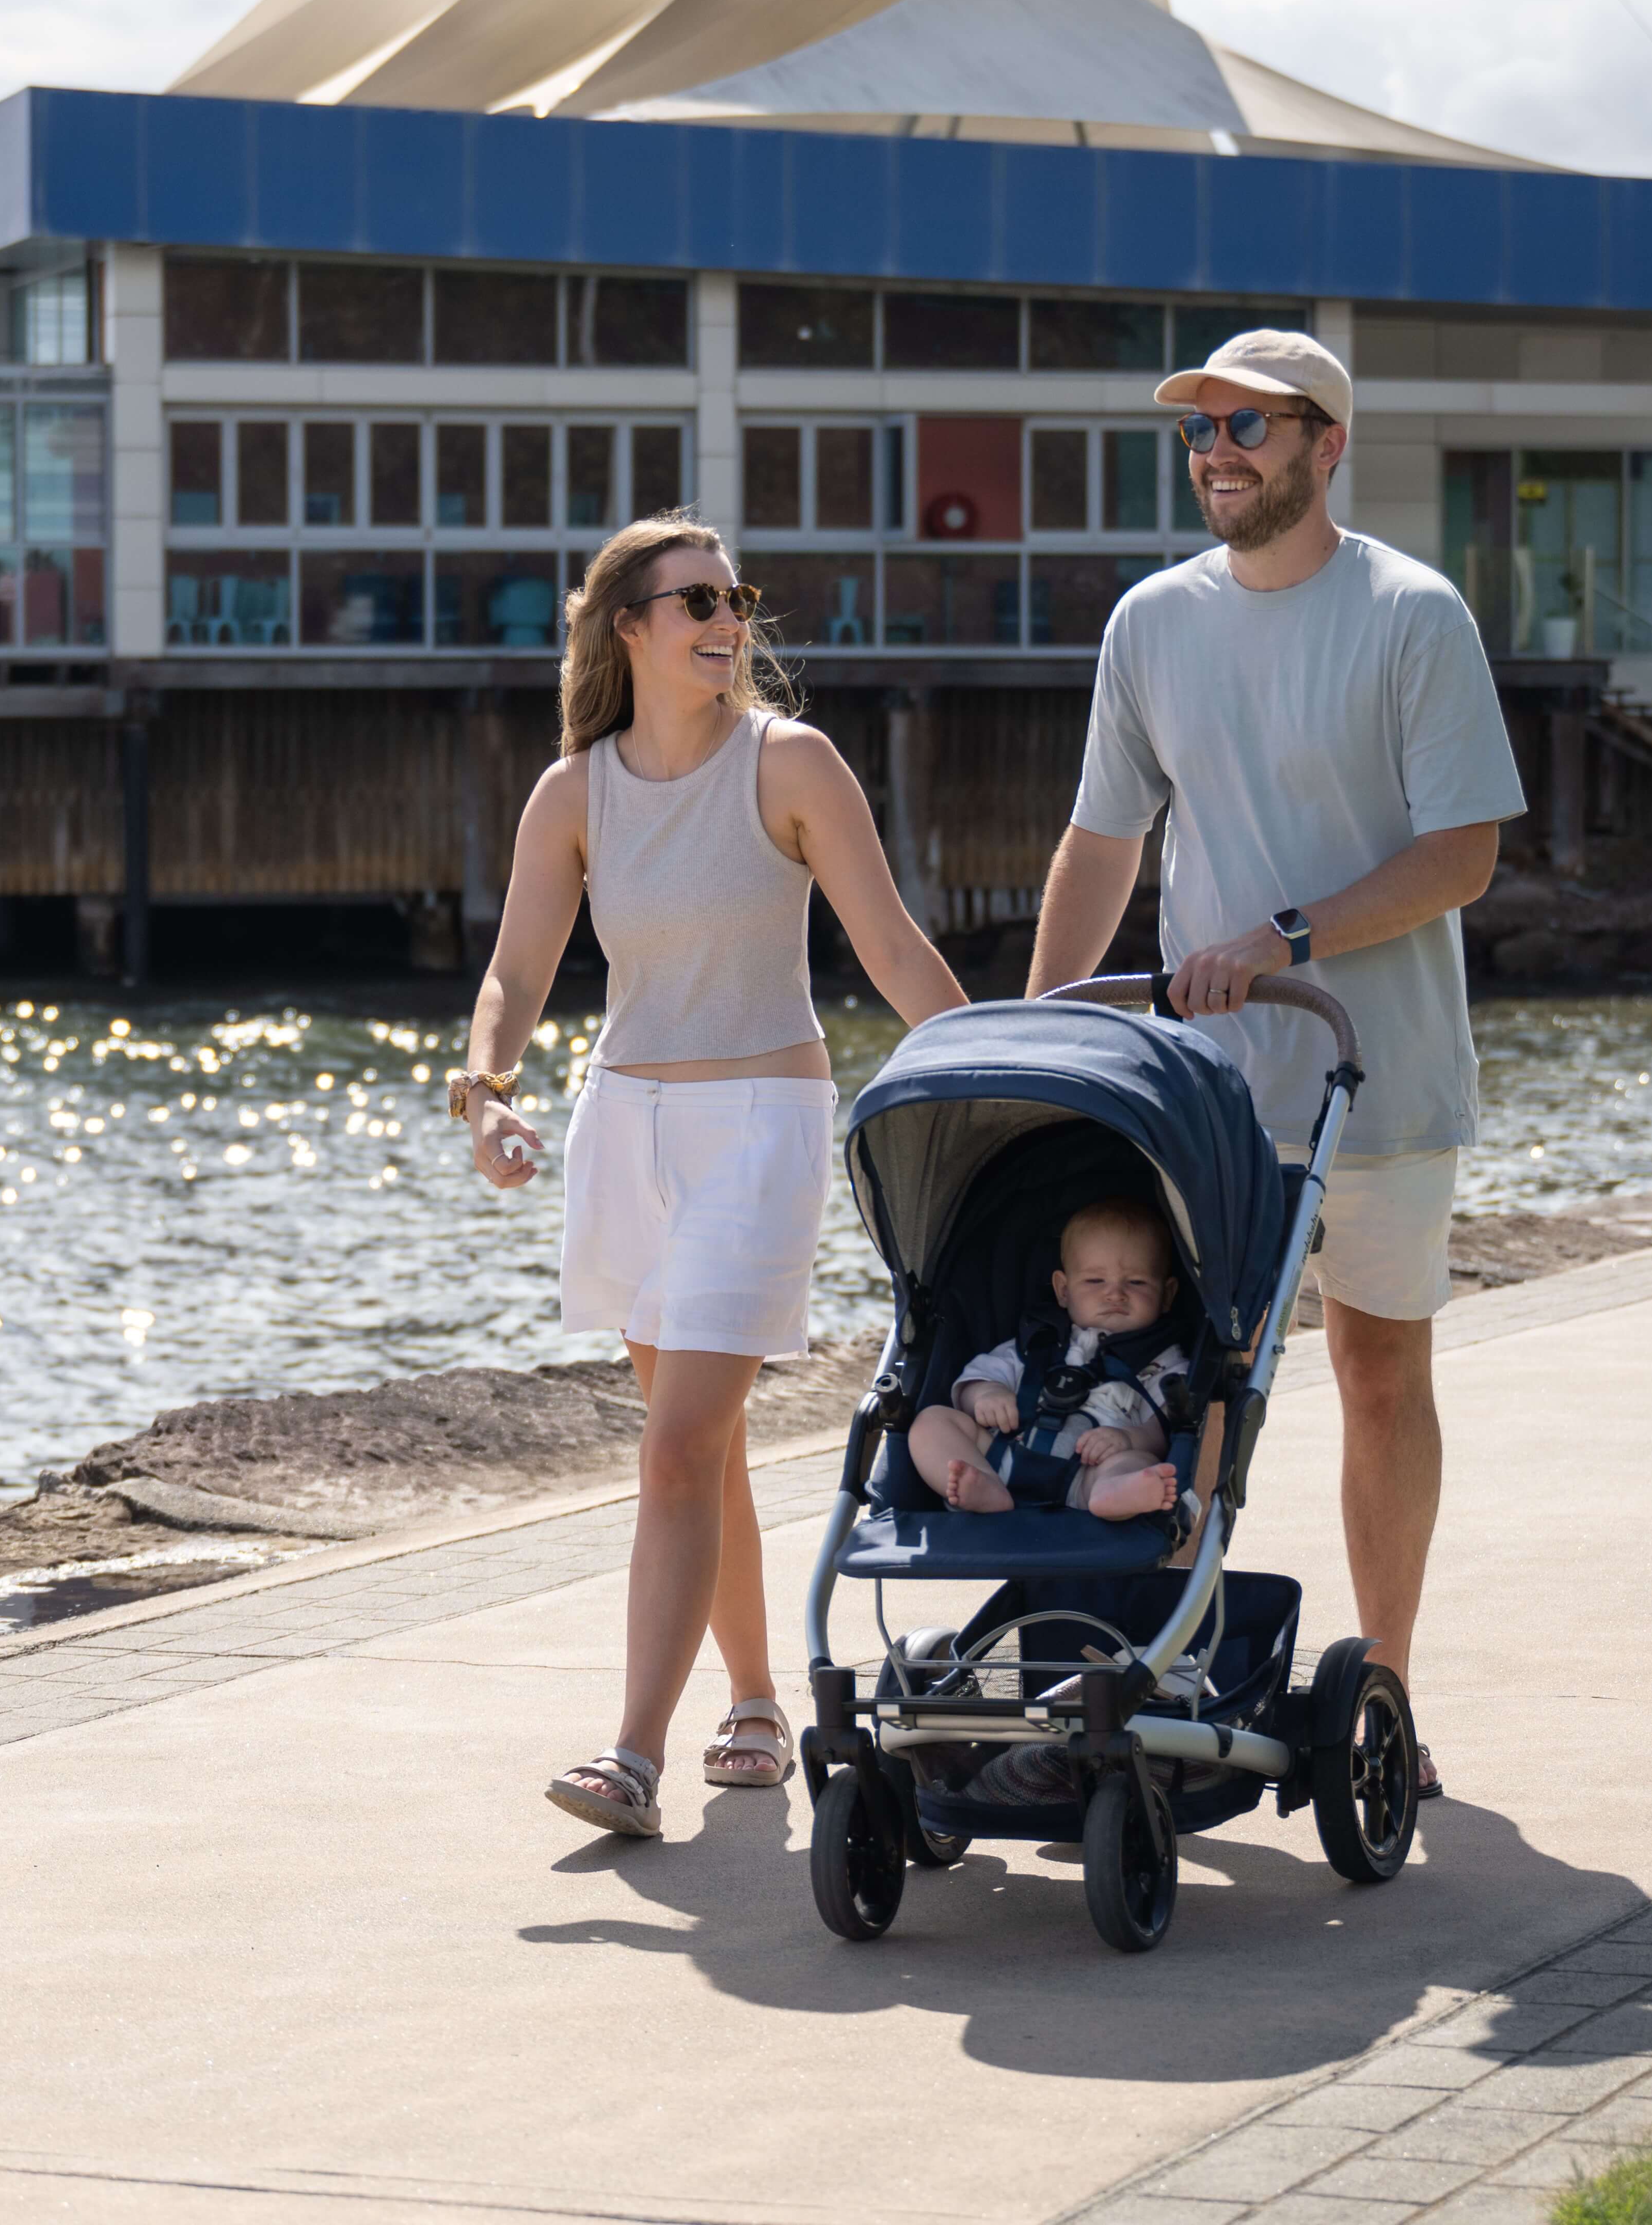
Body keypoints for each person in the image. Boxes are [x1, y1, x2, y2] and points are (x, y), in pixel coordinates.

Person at [1022, 327, 1525, 1800]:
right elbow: (1103, 841)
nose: (1216, 451)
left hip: (1383, 1071)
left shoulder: (1412, 615)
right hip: (1207, 1092)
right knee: (1184, 1391)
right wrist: (1041, 1032)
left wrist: (1285, 930)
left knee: (1378, 1374)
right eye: (1199, 430)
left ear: (1325, 443)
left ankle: (1386, 1691)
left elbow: (1463, 854)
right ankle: (1156, 1674)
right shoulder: (1151, 625)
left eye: (1247, 425)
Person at [460, 513, 967, 1840]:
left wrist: (996, 1074)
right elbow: (516, 968)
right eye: (693, 600)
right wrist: (488, 1084)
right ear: (626, 625)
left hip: (762, 1124)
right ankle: (754, 1695)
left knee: (678, 1441)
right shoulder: (575, 789)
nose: (724, 619)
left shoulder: (790, 764)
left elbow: (894, 949)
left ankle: (631, 1751)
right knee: (706, 1441)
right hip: (623, 1126)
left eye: (733, 597)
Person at [906, 1196, 1192, 1523]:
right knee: (932, 1421)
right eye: (1096, 1281)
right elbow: (981, 1375)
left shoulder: (1163, 1362)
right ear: (1064, 1290)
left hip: (1090, 1472)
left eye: (1137, 1282)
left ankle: (1113, 1495)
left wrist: (1130, 1439)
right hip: (1005, 1456)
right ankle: (982, 1486)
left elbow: (1166, 1424)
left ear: (1167, 1294)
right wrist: (985, 1395)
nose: (1115, 1294)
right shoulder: (1039, 1341)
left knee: (1139, 1460)